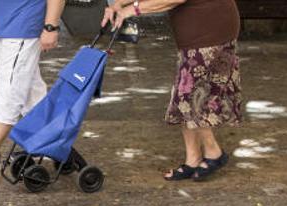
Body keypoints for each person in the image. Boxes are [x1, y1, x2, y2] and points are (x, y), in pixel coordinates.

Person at [103, 0, 241, 181]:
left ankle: (214, 152)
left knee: (190, 97)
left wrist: (133, 8)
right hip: (197, 34)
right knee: (185, 94)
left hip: (210, 30)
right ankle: (193, 159)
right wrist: (119, 3)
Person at [0, 0, 66, 171]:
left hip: (23, 25)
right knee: (30, 89)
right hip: (3, 26)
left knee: (10, 86)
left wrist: (51, 27)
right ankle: (50, 141)